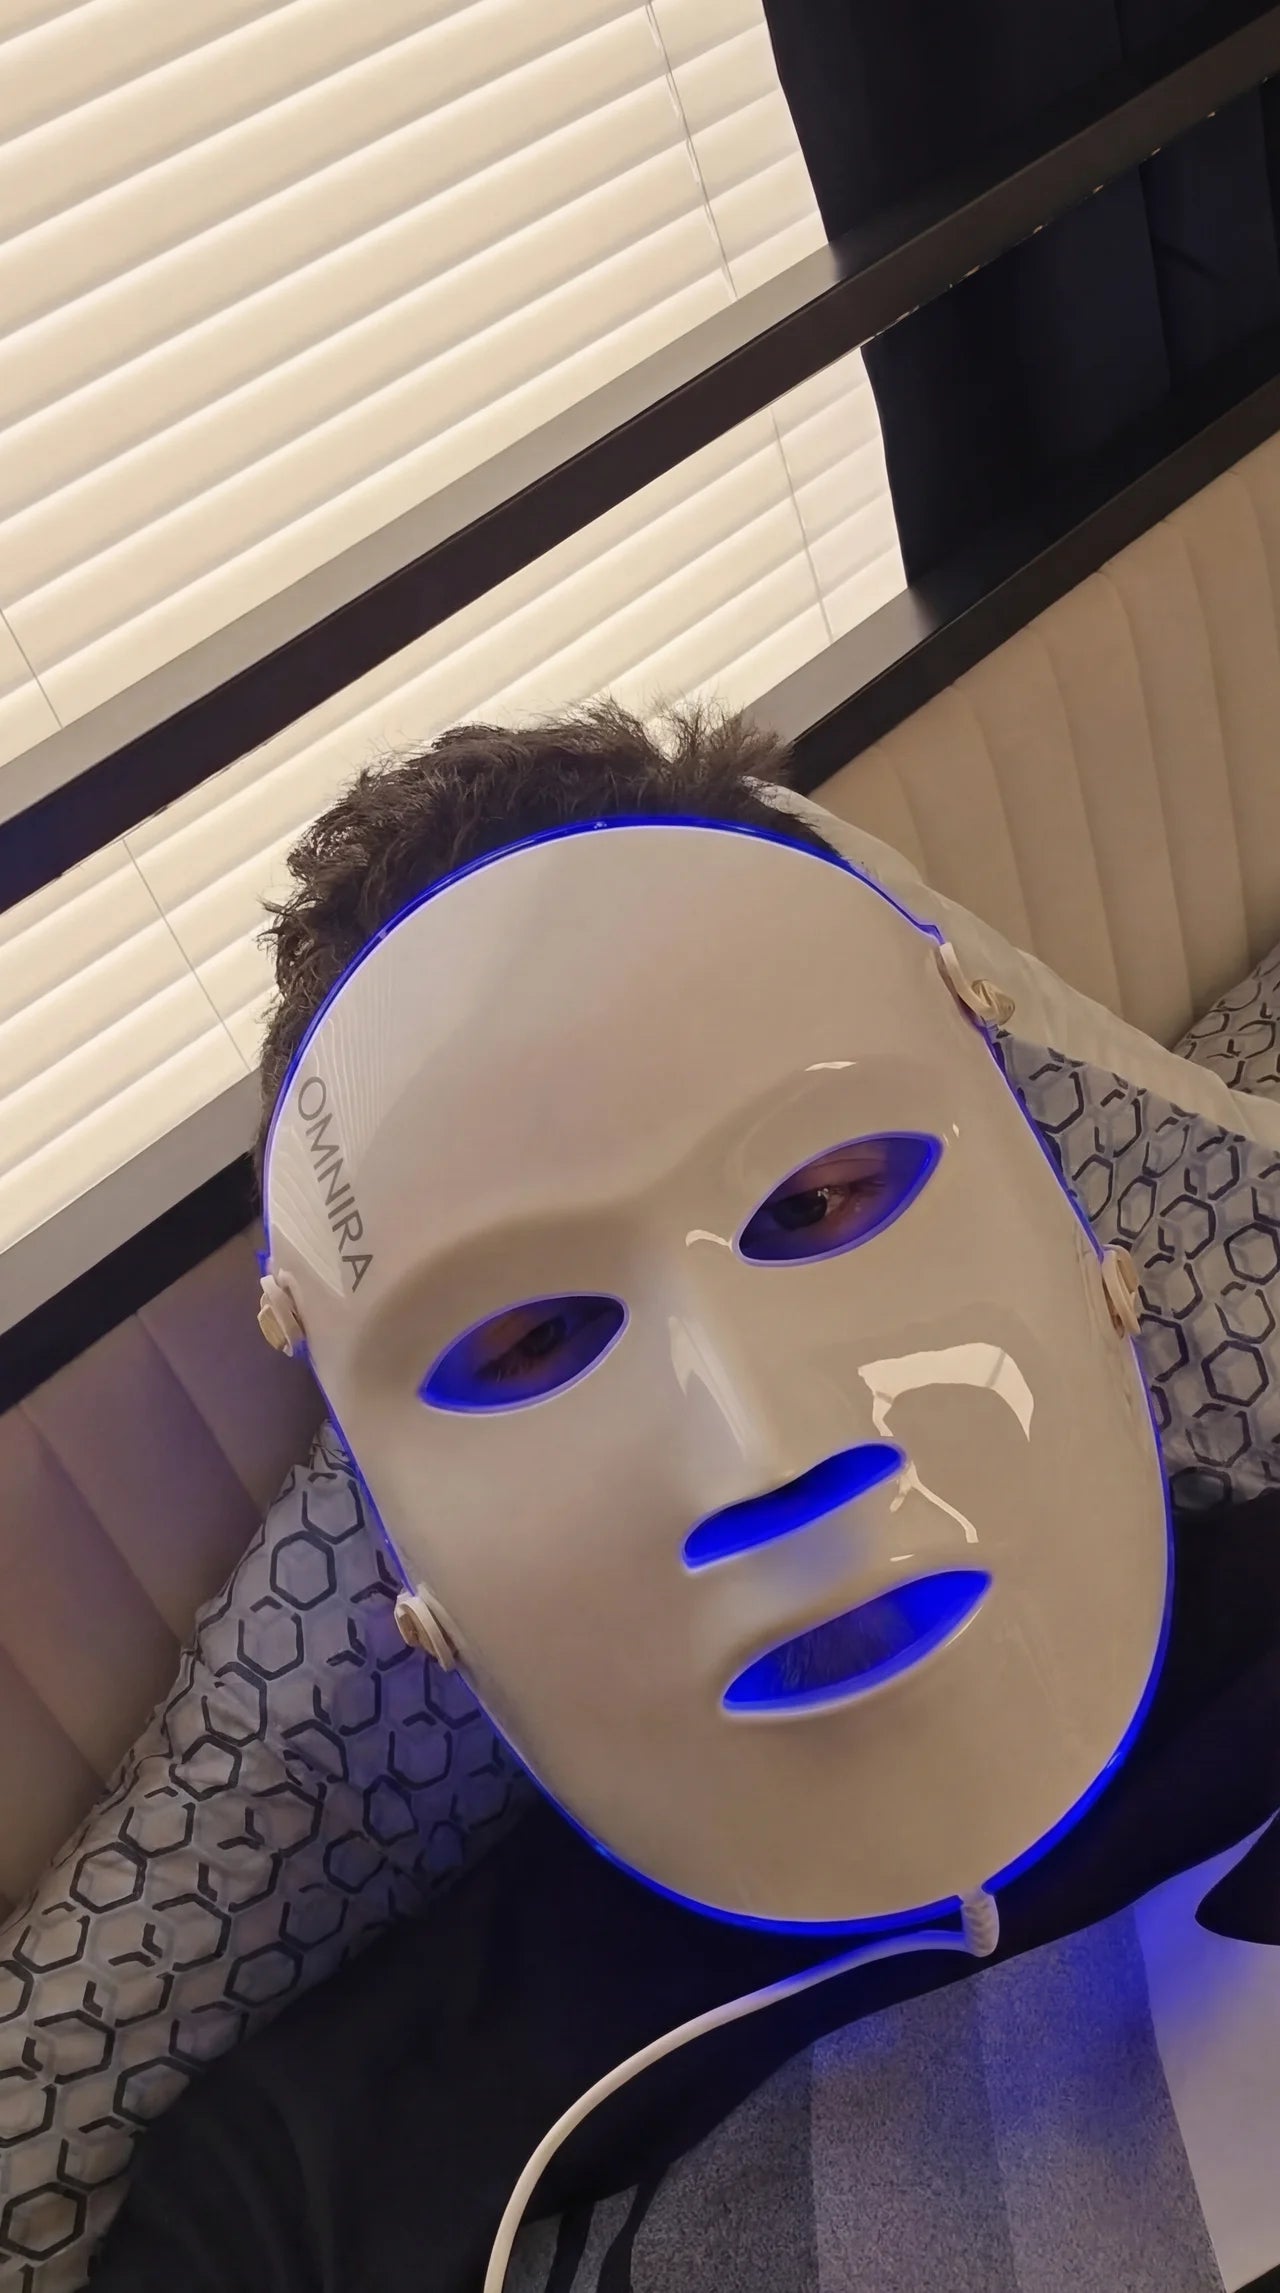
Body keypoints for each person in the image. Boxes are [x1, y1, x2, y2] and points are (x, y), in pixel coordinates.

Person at [89, 701, 1280, 2293]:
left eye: (816, 1199)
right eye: (536, 1339)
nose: (767, 1453)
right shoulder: (292, 2209)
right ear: (400, 1545)